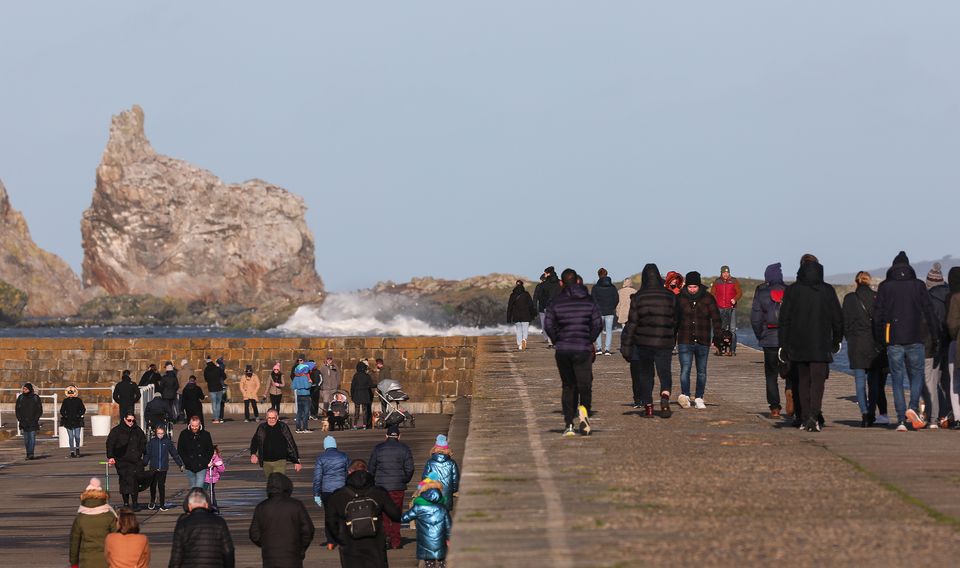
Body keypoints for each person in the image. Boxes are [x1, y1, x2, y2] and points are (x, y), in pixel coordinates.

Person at [873, 251, 939, 431]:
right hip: (915, 337)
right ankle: (913, 406)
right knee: (917, 375)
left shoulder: (885, 287)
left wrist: (879, 339)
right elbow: (929, 313)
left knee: (896, 379)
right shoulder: (918, 286)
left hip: (893, 339)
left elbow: (877, 315)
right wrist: (935, 336)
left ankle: (901, 420)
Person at [779, 254, 844, 433]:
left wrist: (783, 345)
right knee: (818, 382)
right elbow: (837, 318)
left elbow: (784, 320)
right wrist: (837, 340)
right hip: (821, 344)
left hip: (798, 344)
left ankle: (805, 417)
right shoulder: (827, 290)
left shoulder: (793, 290)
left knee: (802, 381)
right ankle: (814, 417)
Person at [544, 268, 602, 436]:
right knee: (585, 385)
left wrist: (557, 340)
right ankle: (584, 417)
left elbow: (548, 325)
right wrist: (589, 339)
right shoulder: (589, 301)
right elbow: (598, 324)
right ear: (577, 281)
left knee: (568, 386)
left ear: (562, 283)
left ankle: (569, 424)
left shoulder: (556, 302)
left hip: (563, 349)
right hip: (582, 349)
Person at [620, 264, 678, 417]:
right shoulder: (670, 296)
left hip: (643, 342)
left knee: (646, 375)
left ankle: (649, 407)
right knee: (664, 372)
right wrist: (672, 336)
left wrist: (626, 345)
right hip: (664, 342)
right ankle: (665, 396)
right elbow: (676, 320)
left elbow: (632, 323)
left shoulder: (638, 297)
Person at [324, 459, 402, 568]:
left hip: (350, 548)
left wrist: (341, 539)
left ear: (349, 472)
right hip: (376, 547)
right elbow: (395, 515)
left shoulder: (337, 496)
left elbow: (330, 522)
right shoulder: (379, 492)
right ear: (367, 472)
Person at [842, 271, 888, 427]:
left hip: (856, 344)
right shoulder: (876, 298)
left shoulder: (849, 299)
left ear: (856, 282)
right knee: (874, 383)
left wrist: (849, 338)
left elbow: (845, 323)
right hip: (874, 345)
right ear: (869, 282)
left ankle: (865, 413)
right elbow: (881, 322)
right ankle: (872, 411)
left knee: (859, 382)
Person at [676, 271, 722, 410]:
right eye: (690, 287)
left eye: (695, 286)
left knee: (701, 371)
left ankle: (699, 397)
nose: (692, 289)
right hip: (684, 340)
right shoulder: (679, 299)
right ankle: (685, 396)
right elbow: (673, 320)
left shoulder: (708, 298)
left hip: (703, 340)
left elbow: (716, 318)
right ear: (686, 286)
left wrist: (717, 338)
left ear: (699, 285)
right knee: (685, 369)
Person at [249, 472, 315, 568]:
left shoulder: (262, 507)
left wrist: (267, 544)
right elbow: (308, 530)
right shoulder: (296, 505)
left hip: (270, 557)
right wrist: (300, 548)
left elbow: (254, 534)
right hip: (292, 557)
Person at [751, 262, 789, 418]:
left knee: (771, 375)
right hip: (788, 340)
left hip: (770, 339)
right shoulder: (790, 292)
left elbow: (755, 319)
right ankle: (790, 391)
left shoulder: (761, 292)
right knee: (790, 372)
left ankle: (775, 408)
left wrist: (761, 335)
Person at [369, 424, 414, 550]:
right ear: (399, 436)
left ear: (386, 436)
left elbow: (371, 468)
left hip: (381, 487)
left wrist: (373, 482)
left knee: (383, 514)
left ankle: (385, 537)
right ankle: (396, 541)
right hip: (397, 487)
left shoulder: (378, 448)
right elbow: (410, 468)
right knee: (396, 513)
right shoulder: (404, 448)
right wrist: (404, 480)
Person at [169, 487, 235, 568]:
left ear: (189, 506)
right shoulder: (219, 522)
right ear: (206, 505)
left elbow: (176, 555)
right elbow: (228, 551)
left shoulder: (183, 523)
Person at [401, 482, 452, 568]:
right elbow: (448, 526)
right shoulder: (442, 508)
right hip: (440, 541)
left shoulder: (419, 508)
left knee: (429, 562)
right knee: (442, 561)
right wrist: (449, 538)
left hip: (425, 542)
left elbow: (404, 518)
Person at [923, 262, 950, 428]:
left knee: (931, 380)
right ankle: (948, 414)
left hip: (934, 343)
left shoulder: (929, 299)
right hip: (952, 341)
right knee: (948, 381)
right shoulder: (951, 295)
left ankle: (934, 416)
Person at [69, 477, 117, 568]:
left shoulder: (80, 518)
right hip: (107, 561)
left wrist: (74, 563)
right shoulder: (109, 516)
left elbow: (74, 542)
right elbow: (117, 539)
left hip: (86, 561)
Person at [314, 435, 350, 548]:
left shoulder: (321, 458)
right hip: (341, 490)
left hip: (327, 491)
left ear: (325, 446)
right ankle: (342, 538)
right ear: (335, 445)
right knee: (342, 515)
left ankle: (330, 541)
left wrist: (316, 494)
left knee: (329, 516)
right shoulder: (344, 456)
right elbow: (349, 472)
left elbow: (317, 477)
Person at [106, 411, 148, 510]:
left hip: (136, 460)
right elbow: (110, 444)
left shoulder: (138, 430)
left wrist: (142, 453)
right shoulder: (116, 431)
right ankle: (126, 503)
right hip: (122, 461)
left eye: (133, 420)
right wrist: (111, 456)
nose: (131, 422)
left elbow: (144, 442)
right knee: (125, 481)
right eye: (129, 420)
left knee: (135, 482)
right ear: (124, 419)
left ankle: (135, 503)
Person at [250, 408, 303, 478]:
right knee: (271, 482)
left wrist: (296, 461)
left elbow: (291, 443)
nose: (271, 420)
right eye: (269, 418)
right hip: (266, 461)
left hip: (280, 461)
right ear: (266, 417)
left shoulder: (283, 427)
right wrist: (253, 454)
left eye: (273, 418)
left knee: (278, 481)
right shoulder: (262, 427)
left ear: (277, 417)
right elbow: (255, 441)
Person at [143, 424, 183, 512]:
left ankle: (162, 504)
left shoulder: (167, 442)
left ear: (164, 433)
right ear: (155, 433)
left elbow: (174, 454)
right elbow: (147, 454)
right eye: (158, 433)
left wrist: (180, 464)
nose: (160, 435)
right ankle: (152, 500)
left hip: (163, 468)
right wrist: (144, 463)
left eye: (161, 433)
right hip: (153, 468)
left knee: (161, 486)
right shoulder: (152, 442)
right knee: (153, 485)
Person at [421, 434, 460, 511]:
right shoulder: (452, 463)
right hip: (447, 494)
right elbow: (455, 480)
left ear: (435, 448)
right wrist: (453, 490)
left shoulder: (430, 462)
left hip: (433, 493)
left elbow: (425, 478)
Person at [710, 265, 743, 356]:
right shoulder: (717, 281)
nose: (726, 274)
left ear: (729, 272)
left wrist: (735, 299)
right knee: (719, 329)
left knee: (732, 330)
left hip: (731, 307)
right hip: (719, 308)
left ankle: (732, 350)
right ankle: (720, 349)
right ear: (721, 273)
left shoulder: (734, 281)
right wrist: (715, 302)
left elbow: (739, 292)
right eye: (724, 272)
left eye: (727, 272)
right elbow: (712, 294)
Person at [177, 416, 214, 489]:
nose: (194, 428)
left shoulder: (206, 434)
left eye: (196, 426)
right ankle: (195, 500)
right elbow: (180, 449)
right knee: (193, 487)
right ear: (190, 424)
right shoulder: (184, 434)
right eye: (192, 426)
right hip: (189, 465)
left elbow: (210, 450)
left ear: (199, 424)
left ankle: (199, 499)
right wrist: (186, 461)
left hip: (202, 466)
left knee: (199, 487)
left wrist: (205, 461)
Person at [592, 268, 620, 356]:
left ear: (598, 275)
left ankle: (599, 348)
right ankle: (607, 350)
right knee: (609, 331)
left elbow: (593, 299)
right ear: (606, 274)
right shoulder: (612, 287)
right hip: (609, 311)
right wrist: (612, 307)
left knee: (598, 331)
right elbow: (616, 299)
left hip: (599, 312)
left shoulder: (595, 287)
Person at [534, 266, 562, 346]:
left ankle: (551, 342)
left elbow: (539, 296)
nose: (544, 274)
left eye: (545, 273)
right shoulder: (560, 282)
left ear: (548, 273)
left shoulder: (544, 284)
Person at [506, 279, 538, 351]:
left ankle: (520, 345)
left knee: (519, 330)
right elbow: (531, 305)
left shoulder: (512, 295)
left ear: (516, 285)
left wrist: (508, 318)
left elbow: (510, 307)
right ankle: (524, 339)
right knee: (525, 329)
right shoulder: (526, 294)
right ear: (522, 285)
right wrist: (533, 314)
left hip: (516, 315)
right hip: (525, 315)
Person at [946, 267, 960, 428]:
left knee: (955, 382)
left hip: (956, 342)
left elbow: (952, 324)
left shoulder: (955, 298)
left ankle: (957, 416)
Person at [14, 382, 42, 460]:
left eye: (26, 389)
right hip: (24, 422)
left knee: (32, 438)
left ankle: (31, 454)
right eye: (23, 389)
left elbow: (39, 409)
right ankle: (28, 453)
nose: (24, 390)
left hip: (33, 422)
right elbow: (17, 409)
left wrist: (36, 418)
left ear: (29, 389)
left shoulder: (35, 397)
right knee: (26, 440)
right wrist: (20, 419)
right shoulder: (20, 398)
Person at [61, 384, 86, 458]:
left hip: (77, 421)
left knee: (77, 436)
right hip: (68, 421)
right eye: (69, 392)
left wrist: (79, 414)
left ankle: (77, 448)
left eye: (72, 392)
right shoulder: (65, 401)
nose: (71, 394)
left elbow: (83, 409)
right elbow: (62, 410)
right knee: (71, 437)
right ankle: (72, 451)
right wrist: (65, 416)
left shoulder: (78, 400)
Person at [292, 360, 316, 433]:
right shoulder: (305, 376)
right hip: (305, 395)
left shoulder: (296, 377)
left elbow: (293, 386)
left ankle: (298, 428)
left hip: (299, 395)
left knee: (299, 412)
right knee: (306, 413)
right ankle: (305, 428)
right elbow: (307, 386)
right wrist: (310, 383)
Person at [203, 356, 227, 424]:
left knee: (214, 403)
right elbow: (224, 376)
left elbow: (206, 379)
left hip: (211, 388)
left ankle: (216, 418)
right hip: (219, 387)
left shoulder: (206, 370)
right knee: (218, 403)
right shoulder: (217, 368)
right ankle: (218, 417)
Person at [350, 360, 373, 429]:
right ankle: (364, 425)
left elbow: (352, 386)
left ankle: (355, 425)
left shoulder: (356, 376)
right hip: (365, 394)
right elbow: (370, 385)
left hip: (357, 394)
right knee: (364, 411)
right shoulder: (367, 376)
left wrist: (352, 395)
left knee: (356, 411)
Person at [205, 445, 225, 509]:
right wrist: (207, 465)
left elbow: (222, 470)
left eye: (214, 452)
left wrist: (215, 465)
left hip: (213, 478)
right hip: (206, 478)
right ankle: (204, 504)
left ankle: (214, 505)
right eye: (212, 453)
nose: (213, 454)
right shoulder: (206, 458)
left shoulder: (218, 459)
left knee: (212, 491)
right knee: (203, 491)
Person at [176, 358, 193, 423]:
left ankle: (182, 418)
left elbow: (177, 381)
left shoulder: (180, 372)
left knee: (181, 405)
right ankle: (190, 418)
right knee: (189, 405)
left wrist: (180, 387)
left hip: (181, 390)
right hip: (190, 390)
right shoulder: (191, 371)